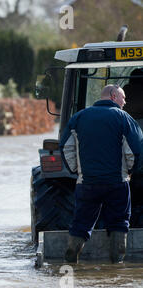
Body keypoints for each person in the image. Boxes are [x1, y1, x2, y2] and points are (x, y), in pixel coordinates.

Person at [60, 84, 143, 263]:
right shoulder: (124, 118)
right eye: (123, 98)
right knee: (119, 222)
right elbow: (135, 151)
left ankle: (71, 257)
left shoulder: (78, 117)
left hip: (87, 183)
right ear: (113, 96)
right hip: (117, 184)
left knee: (81, 222)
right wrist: (129, 171)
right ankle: (117, 263)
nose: (125, 101)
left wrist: (77, 171)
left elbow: (65, 147)